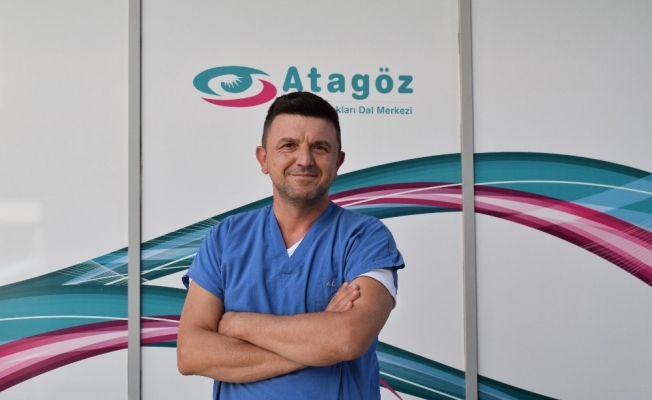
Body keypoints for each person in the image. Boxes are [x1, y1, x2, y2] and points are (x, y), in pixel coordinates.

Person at [177, 91, 405, 399]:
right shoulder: (225, 238)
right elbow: (191, 353)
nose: (305, 160)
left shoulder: (365, 238)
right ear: (263, 159)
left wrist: (239, 324)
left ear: (338, 161)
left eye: (320, 148)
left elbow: (347, 339)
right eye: (288, 145)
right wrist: (317, 343)